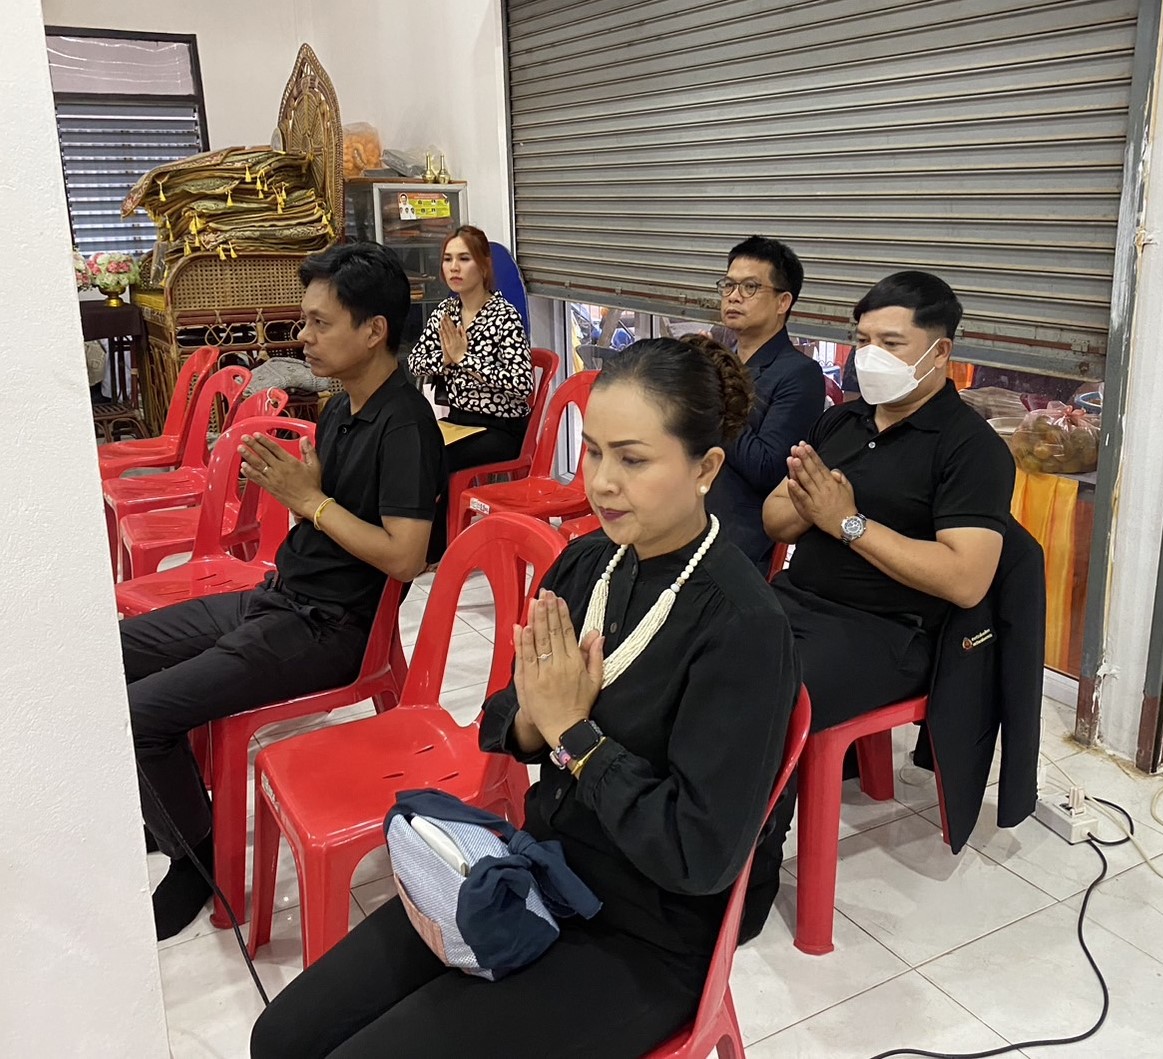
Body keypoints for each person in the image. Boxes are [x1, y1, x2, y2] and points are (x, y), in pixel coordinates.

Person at [251, 337, 799, 1059]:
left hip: (644, 933)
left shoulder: (743, 627)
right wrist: (539, 726)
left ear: (705, 468)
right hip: (534, 866)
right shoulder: (586, 563)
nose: (602, 482)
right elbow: (504, 717)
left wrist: (575, 732)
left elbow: (698, 853)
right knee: (281, 1038)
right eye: (594, 452)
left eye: (633, 459)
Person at [123, 242, 446, 940]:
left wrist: (310, 498)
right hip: (282, 596)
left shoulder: (407, 425)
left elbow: (406, 557)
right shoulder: (339, 409)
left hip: (333, 631)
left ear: (374, 330)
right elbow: (320, 508)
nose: (304, 337)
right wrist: (298, 493)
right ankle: (179, 812)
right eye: (305, 321)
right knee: (114, 651)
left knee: (139, 713)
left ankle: (199, 858)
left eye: (319, 322)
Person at [763, 270, 1015, 733]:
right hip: (793, 600)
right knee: (685, 660)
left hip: (889, 632)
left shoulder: (972, 449)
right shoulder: (839, 423)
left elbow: (966, 581)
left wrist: (847, 522)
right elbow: (776, 522)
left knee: (752, 703)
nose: (870, 357)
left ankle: (733, 805)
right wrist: (810, 504)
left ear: (940, 353)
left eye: (891, 344)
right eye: (863, 341)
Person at [407, 225, 533, 562]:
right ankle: (417, 541)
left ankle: (432, 550)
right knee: (412, 450)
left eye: (464, 259)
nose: (454, 267)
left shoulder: (504, 316)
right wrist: (445, 359)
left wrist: (466, 359)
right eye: (448, 259)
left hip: (500, 429)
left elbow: (521, 384)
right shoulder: (445, 312)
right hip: (459, 422)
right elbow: (417, 362)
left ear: (483, 265)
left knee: (436, 460)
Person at [707, 235, 824, 574]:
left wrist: (714, 399)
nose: (733, 296)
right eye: (728, 285)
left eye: (750, 288)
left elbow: (768, 469)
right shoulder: (724, 361)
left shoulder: (800, 374)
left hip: (737, 535)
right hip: (687, 510)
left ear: (782, 301)